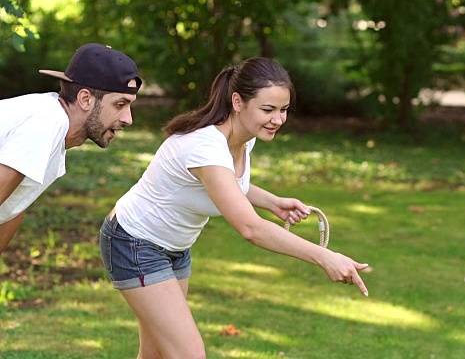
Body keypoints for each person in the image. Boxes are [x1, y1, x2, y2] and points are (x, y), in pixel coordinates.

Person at [99, 57, 369, 358]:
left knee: (157, 354)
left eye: (283, 110)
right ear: (237, 102)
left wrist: (273, 203)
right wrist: (324, 257)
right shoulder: (205, 145)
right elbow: (250, 228)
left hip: (173, 248)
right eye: (268, 110)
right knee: (189, 354)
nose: (277, 120)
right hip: (136, 243)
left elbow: (227, 183)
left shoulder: (244, 138)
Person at [0, 43, 142, 253]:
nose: (128, 119)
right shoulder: (45, 124)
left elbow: (13, 207)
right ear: (85, 99)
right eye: (119, 105)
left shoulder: (53, 128)